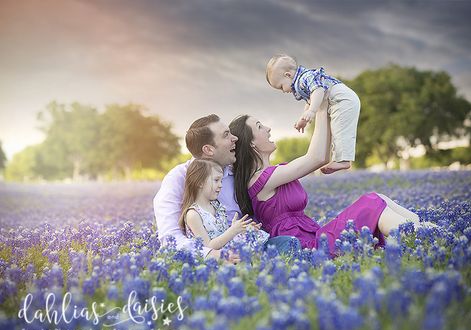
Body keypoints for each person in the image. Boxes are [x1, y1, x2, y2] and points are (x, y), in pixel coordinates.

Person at [229, 110, 421, 257]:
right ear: (251, 143)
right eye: (260, 126)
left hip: (317, 237)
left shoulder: (277, 172)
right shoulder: (259, 180)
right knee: (370, 202)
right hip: (309, 251)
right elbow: (317, 157)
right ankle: (421, 241)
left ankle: (423, 230)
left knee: (379, 198)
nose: (268, 128)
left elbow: (323, 154)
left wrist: (327, 112)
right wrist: (319, 109)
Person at [153, 114, 300, 263]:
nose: (235, 138)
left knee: (289, 243)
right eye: (226, 135)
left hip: (249, 246)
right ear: (209, 150)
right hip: (214, 260)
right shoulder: (178, 178)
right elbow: (170, 238)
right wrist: (212, 254)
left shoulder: (237, 172)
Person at [266, 54, 360, 174]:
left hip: (343, 100)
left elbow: (318, 90)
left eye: (280, 87)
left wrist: (312, 111)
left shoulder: (305, 77)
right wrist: (303, 119)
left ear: (288, 75)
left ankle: (343, 160)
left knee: (340, 129)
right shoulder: (300, 82)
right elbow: (310, 100)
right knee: (336, 129)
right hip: (338, 102)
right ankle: (339, 158)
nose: (283, 91)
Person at [178, 158, 269, 250]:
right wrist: (232, 231)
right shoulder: (193, 214)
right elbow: (208, 247)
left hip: (227, 251)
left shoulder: (217, 206)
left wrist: (241, 229)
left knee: (257, 237)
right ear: (200, 182)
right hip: (217, 259)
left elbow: (224, 235)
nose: (221, 185)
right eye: (216, 180)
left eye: (221, 181)